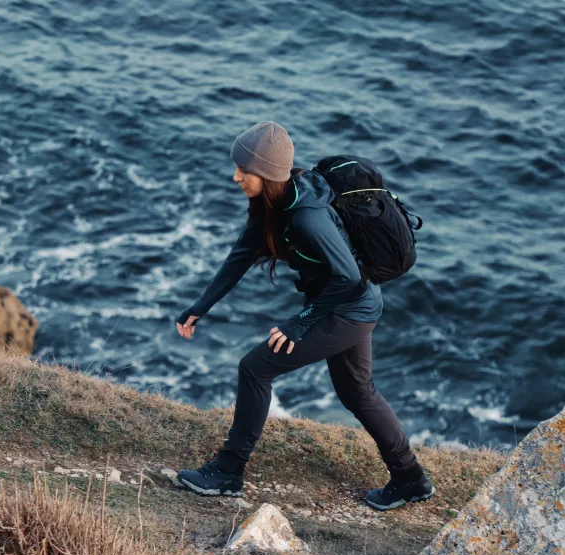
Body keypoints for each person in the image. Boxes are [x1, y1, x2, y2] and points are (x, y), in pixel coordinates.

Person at [175, 121, 435, 511]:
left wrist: (301, 322)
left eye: (244, 170)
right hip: (347, 304)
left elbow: (348, 278)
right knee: (357, 392)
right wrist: (201, 306)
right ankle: (410, 479)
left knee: (255, 368)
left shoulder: (306, 217)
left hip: (351, 307)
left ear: (266, 173)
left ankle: (228, 472)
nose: (235, 176)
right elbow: (241, 255)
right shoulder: (274, 205)